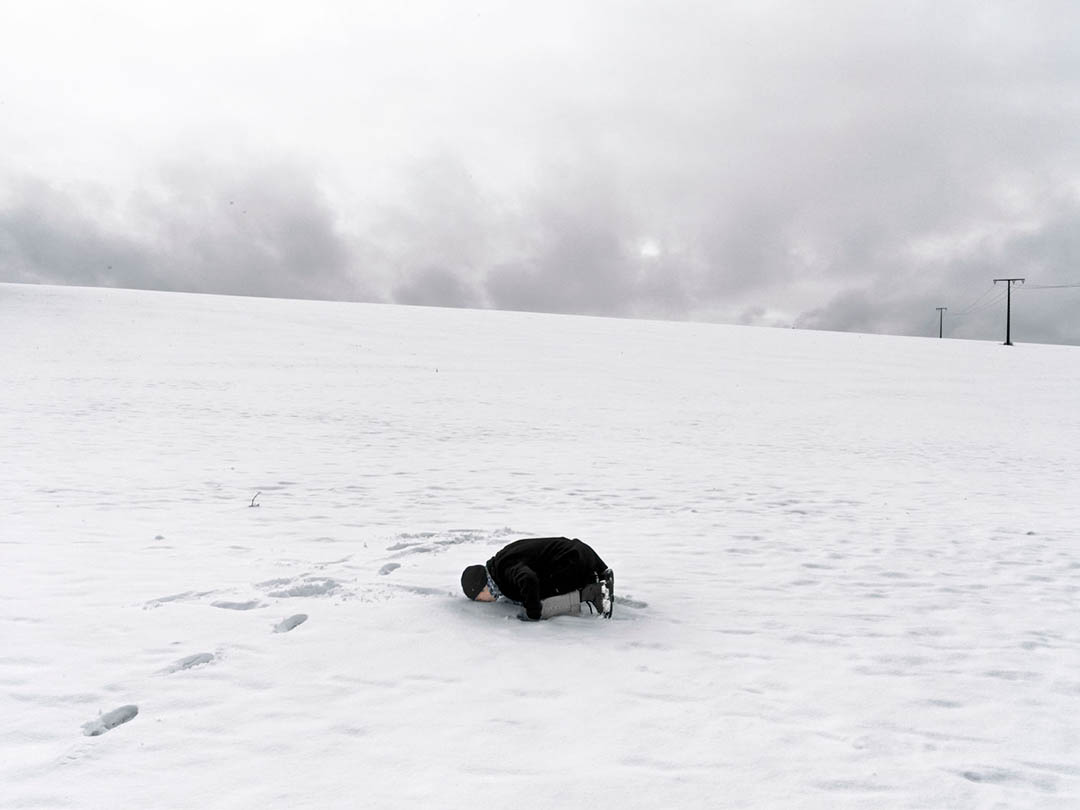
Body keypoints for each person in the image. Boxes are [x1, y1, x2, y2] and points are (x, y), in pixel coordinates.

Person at [460, 536, 614, 620]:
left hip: (572, 564)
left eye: (480, 598)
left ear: (483, 586)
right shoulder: (500, 560)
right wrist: (603, 571)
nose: (483, 601)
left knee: (540, 602)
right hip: (583, 554)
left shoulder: (504, 571)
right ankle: (600, 580)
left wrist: (532, 613)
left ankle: (592, 593)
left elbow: (528, 579)